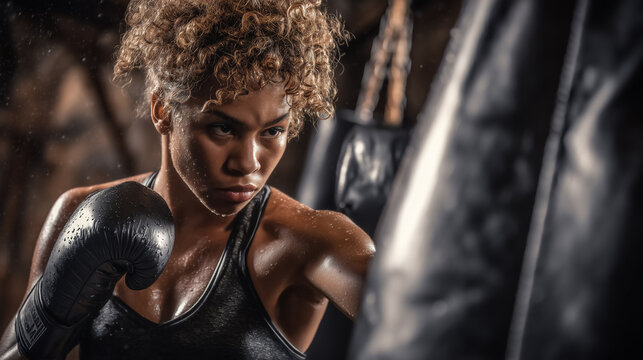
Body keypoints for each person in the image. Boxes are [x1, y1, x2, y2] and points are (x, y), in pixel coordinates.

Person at [0, 0, 374, 358]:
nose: (248, 164)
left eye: (272, 132)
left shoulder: (306, 243)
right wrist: (54, 309)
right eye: (223, 128)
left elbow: (419, 312)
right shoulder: (78, 213)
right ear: (163, 110)